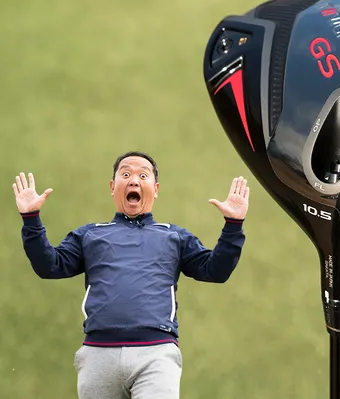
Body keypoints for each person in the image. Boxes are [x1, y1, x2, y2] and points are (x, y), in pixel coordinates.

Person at [13, 151, 250, 399]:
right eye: (125, 174)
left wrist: (233, 226)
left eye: (143, 176)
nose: (134, 180)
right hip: (98, 354)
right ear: (112, 187)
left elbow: (215, 271)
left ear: (155, 189)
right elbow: (50, 266)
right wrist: (31, 220)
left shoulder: (175, 236)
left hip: (156, 353)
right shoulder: (89, 235)